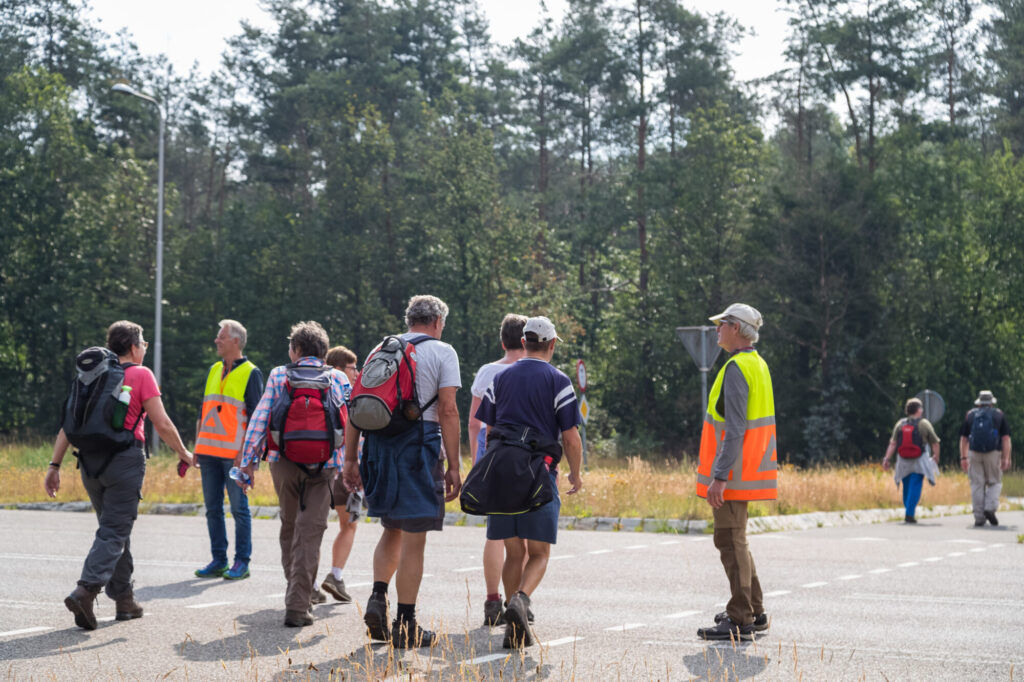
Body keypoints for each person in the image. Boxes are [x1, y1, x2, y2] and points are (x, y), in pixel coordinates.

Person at [45, 320, 194, 630]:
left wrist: (54, 466)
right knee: (114, 530)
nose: (145, 349)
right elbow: (162, 423)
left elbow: (67, 427)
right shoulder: (141, 374)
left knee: (113, 529)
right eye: (144, 344)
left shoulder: (91, 377)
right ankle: (85, 591)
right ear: (133, 347)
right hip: (124, 462)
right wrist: (183, 452)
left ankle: (124, 600)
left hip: (89, 463)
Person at [343, 294, 462, 648]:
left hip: (378, 446)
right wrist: (454, 465)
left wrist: (350, 460)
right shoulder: (443, 352)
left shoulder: (380, 348)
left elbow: (357, 406)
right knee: (415, 536)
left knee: (391, 527)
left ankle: (377, 598)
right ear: (437, 321)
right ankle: (406, 624)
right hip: (418, 446)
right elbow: (448, 410)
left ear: (409, 319)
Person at [474, 315, 583, 649]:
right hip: (539, 473)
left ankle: (513, 625)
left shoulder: (500, 378)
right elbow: (570, 436)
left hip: (502, 473)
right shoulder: (558, 380)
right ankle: (521, 600)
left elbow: (489, 430)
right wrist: (575, 473)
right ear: (552, 344)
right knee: (538, 553)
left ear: (523, 342)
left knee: (512, 551)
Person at [234, 321, 350, 627]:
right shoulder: (338, 377)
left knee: (290, 527)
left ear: (296, 349)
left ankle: (299, 595)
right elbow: (352, 423)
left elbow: (260, 419)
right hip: (326, 464)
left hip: (283, 461)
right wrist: (355, 463)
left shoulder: (279, 375)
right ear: (324, 352)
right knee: (311, 531)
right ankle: (299, 604)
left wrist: (248, 463)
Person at [695, 303, 777, 642]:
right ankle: (754, 611)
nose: (717, 328)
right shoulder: (757, 364)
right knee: (736, 540)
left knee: (730, 540)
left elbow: (735, 428)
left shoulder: (736, 368)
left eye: (722, 323)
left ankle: (740, 618)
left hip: (733, 472)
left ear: (737, 329)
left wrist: (720, 476)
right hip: (747, 469)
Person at [468, 313, 528, 626]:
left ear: (502, 341)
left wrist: (476, 460)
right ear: (526, 341)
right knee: (524, 534)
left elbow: (474, 421)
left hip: (491, 453)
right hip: (527, 456)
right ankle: (518, 599)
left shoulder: (488, 371)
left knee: (495, 533)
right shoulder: (535, 370)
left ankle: (492, 602)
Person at [193, 319, 264, 580]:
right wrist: (196, 445)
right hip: (208, 452)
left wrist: (246, 455)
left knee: (238, 510)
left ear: (236, 341)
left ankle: (241, 562)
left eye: (221, 337)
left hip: (234, 456)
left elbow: (256, 417)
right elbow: (204, 409)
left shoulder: (252, 373)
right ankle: (219, 560)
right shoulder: (214, 369)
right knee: (212, 509)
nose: (216, 340)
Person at [320, 345, 361, 603]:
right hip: (344, 468)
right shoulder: (348, 394)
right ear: (338, 368)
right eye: (352, 368)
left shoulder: (317, 391)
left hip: (318, 466)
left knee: (314, 526)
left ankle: (309, 582)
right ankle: (335, 575)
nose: (356, 373)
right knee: (350, 524)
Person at [882, 398, 940, 523]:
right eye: (921, 408)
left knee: (906, 486)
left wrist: (887, 458)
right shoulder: (924, 424)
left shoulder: (900, 424)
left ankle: (908, 509)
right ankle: (909, 513)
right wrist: (936, 456)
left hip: (903, 461)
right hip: (919, 460)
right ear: (918, 410)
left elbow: (893, 443)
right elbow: (935, 442)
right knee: (916, 485)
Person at [959, 390, 1012, 527]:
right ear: (991, 403)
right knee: (995, 482)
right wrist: (1006, 458)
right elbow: (1006, 439)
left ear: (979, 403)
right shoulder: (999, 415)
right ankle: (989, 507)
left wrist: (963, 457)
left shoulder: (970, 415)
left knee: (977, 484)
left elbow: (964, 439)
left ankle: (979, 517)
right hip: (993, 453)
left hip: (974, 453)